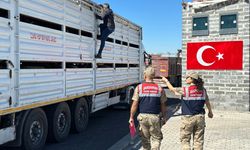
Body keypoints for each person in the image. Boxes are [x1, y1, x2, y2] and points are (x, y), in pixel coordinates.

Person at [161, 72, 213, 150]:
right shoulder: (203, 90)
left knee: (185, 140)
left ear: (192, 79)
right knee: (198, 141)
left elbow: (172, 89)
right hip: (200, 118)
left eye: (187, 77)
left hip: (188, 118)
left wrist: (166, 81)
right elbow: (207, 102)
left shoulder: (185, 90)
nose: (186, 78)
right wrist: (210, 112)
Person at [129, 66, 167, 150]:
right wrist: (164, 117)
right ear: (153, 76)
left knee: (145, 140)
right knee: (156, 138)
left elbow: (134, 104)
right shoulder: (160, 89)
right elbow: (163, 105)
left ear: (145, 76)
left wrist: (131, 117)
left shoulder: (139, 88)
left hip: (143, 117)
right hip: (155, 117)